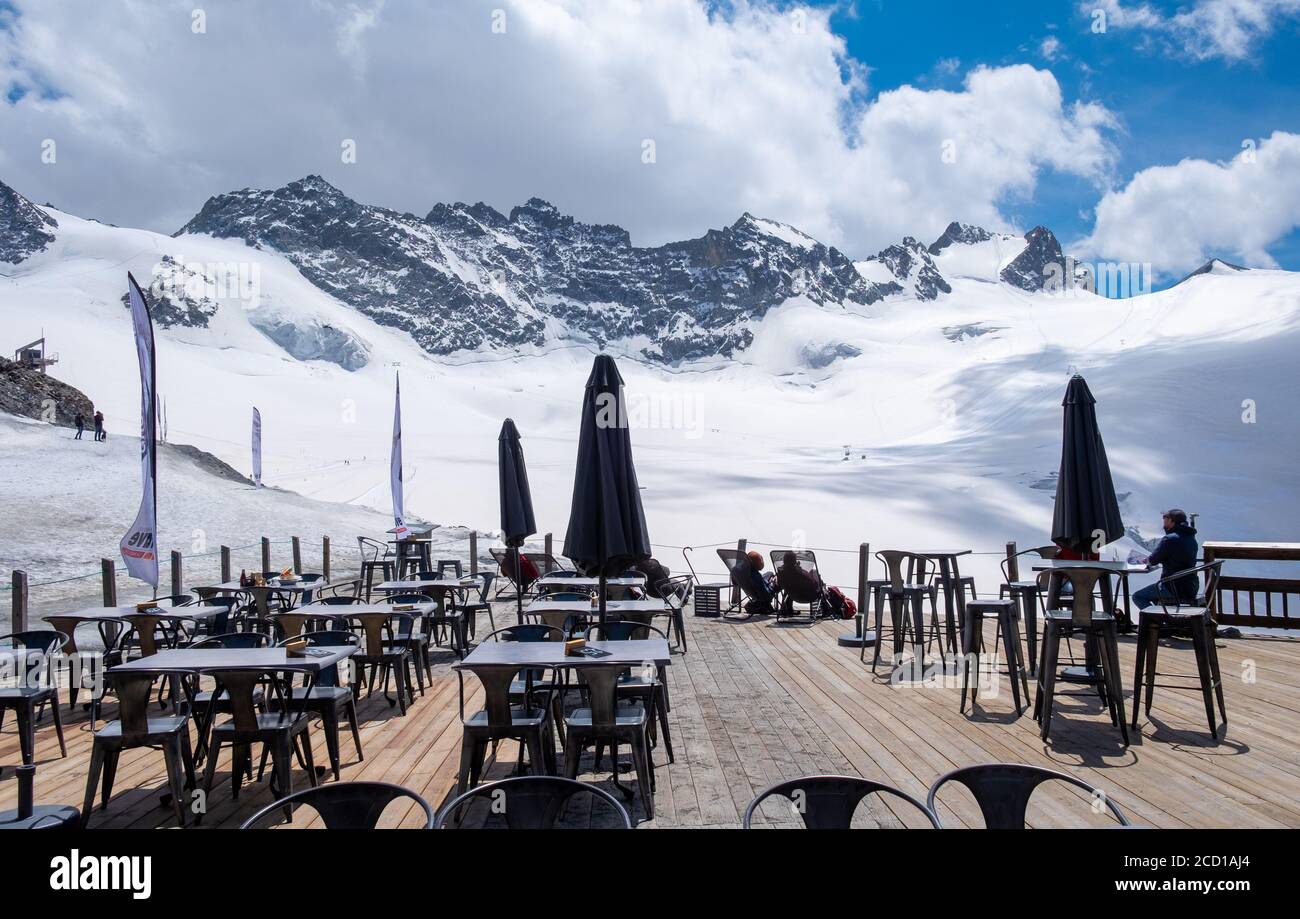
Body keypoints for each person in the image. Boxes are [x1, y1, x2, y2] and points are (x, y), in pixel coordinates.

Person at [1133, 508, 1200, 608]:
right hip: (1191, 587)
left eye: (1165, 517)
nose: (1163, 520)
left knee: (1138, 597)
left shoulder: (1170, 539)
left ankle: (1154, 621)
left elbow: (1153, 560)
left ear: (1171, 520)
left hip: (1173, 587)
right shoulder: (1191, 538)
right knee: (1155, 597)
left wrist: (1145, 561)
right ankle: (1160, 619)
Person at [776, 550, 822, 616]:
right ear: (795, 561)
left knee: (789, 585)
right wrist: (800, 570)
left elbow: (780, 584)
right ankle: (824, 610)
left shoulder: (781, 572)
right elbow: (812, 584)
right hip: (808, 597)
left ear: (784, 561)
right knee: (814, 573)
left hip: (792, 595)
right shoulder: (799, 573)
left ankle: (786, 610)